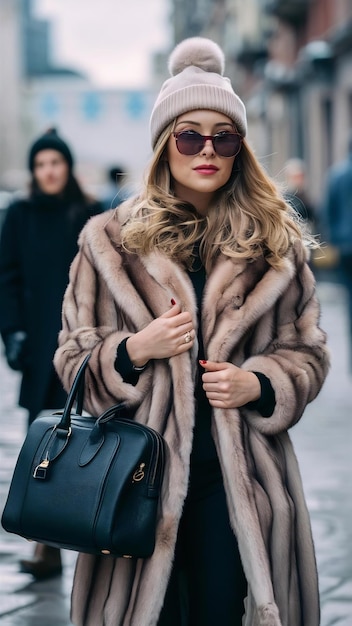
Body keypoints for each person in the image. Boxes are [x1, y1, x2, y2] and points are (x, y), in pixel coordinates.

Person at [54, 38, 329, 626]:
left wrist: (261, 383)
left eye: (223, 137)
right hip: (132, 481)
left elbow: (307, 351)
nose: (207, 149)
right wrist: (131, 351)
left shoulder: (274, 247)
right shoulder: (109, 242)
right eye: (189, 135)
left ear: (239, 149)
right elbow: (72, 355)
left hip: (242, 484)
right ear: (164, 145)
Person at [0, 128, 102, 580]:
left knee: (92, 443)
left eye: (55, 162)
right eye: (41, 164)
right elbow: (6, 277)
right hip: (41, 347)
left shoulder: (90, 212)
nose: (49, 171)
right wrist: (13, 332)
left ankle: (93, 535)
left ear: (67, 166)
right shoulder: (19, 214)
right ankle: (45, 546)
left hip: (87, 345)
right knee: (42, 444)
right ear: (34, 171)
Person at [321, 130, 352, 371]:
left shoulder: (336, 174)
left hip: (345, 248)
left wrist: (331, 241)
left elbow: (327, 211)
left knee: (349, 301)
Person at [284, 157, 316, 228]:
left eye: (301, 177)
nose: (299, 180)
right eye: (296, 177)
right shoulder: (287, 199)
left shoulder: (306, 197)